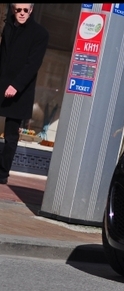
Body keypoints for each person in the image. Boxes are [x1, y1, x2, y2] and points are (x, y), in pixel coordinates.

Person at [0, 4, 49, 184]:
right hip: (2, 84)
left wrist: (16, 85)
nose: (21, 13)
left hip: (20, 91)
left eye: (25, 10)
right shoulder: (8, 27)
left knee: (11, 135)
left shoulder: (40, 34)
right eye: (17, 10)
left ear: (31, 9)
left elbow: (33, 64)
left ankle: (2, 173)